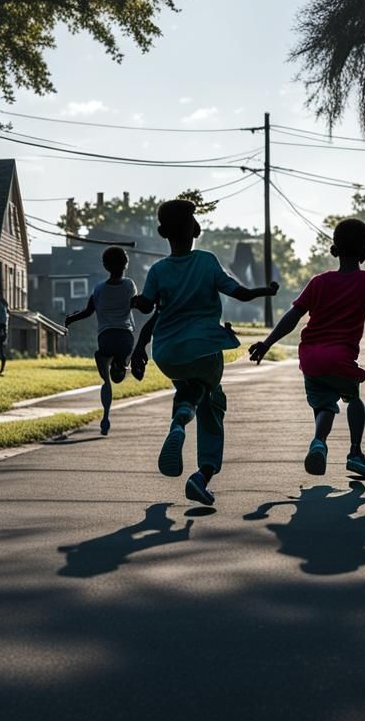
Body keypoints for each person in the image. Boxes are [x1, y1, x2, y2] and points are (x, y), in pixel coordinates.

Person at [131, 199, 278, 506]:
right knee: (211, 403)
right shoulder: (207, 261)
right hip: (204, 348)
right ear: (195, 228)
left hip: (167, 352)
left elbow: (147, 306)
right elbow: (240, 292)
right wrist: (267, 291)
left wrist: (133, 312)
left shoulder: (158, 271)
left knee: (187, 388)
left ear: (161, 232)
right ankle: (201, 474)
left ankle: (180, 419)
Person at [249, 218, 365, 480]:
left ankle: (319, 442)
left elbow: (292, 316)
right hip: (340, 359)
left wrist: (266, 343)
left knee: (325, 406)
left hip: (311, 359)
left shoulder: (318, 282)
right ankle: (355, 453)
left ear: (334, 250)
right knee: (353, 398)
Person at [64, 246, 138, 436]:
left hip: (106, 337)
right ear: (125, 265)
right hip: (125, 337)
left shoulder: (99, 289)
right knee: (124, 351)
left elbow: (88, 312)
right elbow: (136, 304)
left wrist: (71, 319)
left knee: (106, 377)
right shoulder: (130, 285)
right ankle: (123, 363)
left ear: (105, 265)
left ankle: (106, 416)